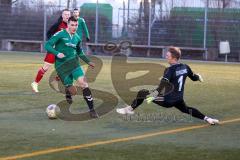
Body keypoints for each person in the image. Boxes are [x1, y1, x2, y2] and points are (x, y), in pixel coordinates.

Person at [116, 47, 219, 125]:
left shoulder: (170, 70)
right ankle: (208, 119)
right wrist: (199, 78)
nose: (166, 57)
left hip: (167, 101)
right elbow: (193, 77)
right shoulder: (185, 67)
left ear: (174, 58)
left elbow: (161, 87)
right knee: (186, 109)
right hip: (178, 99)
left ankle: (129, 109)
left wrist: (152, 97)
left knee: (142, 93)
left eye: (167, 55)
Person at [44, 16, 98, 118]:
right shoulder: (60, 34)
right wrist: (57, 53)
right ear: (68, 24)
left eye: (76, 25)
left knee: (83, 83)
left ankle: (92, 110)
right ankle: (68, 92)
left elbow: (80, 52)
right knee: (73, 92)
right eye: (72, 25)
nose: (74, 27)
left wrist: (88, 61)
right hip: (62, 67)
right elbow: (47, 45)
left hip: (74, 64)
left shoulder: (77, 37)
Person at [31, 9, 71, 93]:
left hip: (63, 51)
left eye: (68, 14)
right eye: (65, 14)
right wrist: (52, 43)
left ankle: (55, 80)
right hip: (54, 50)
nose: (67, 16)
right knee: (46, 67)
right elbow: (48, 33)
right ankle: (35, 83)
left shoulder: (71, 26)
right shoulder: (58, 25)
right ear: (62, 16)